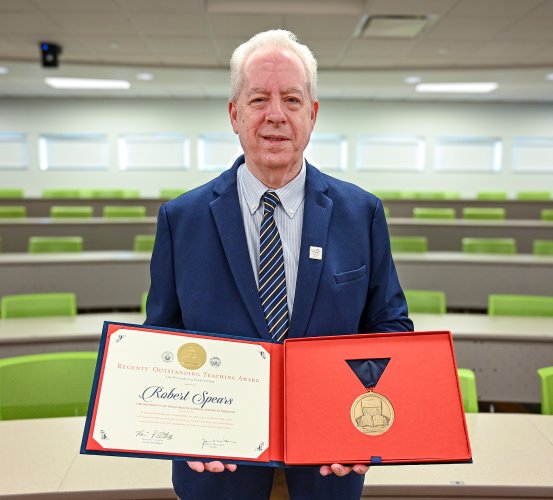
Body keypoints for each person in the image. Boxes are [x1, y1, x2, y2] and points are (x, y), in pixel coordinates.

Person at [145, 29, 413, 500]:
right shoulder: (180, 220)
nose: (275, 115)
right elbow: (160, 341)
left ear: (312, 114)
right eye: (258, 99)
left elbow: (389, 327)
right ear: (234, 114)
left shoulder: (361, 213)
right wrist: (180, 427)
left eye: (291, 99)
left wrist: (363, 413)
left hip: (330, 464)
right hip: (217, 471)